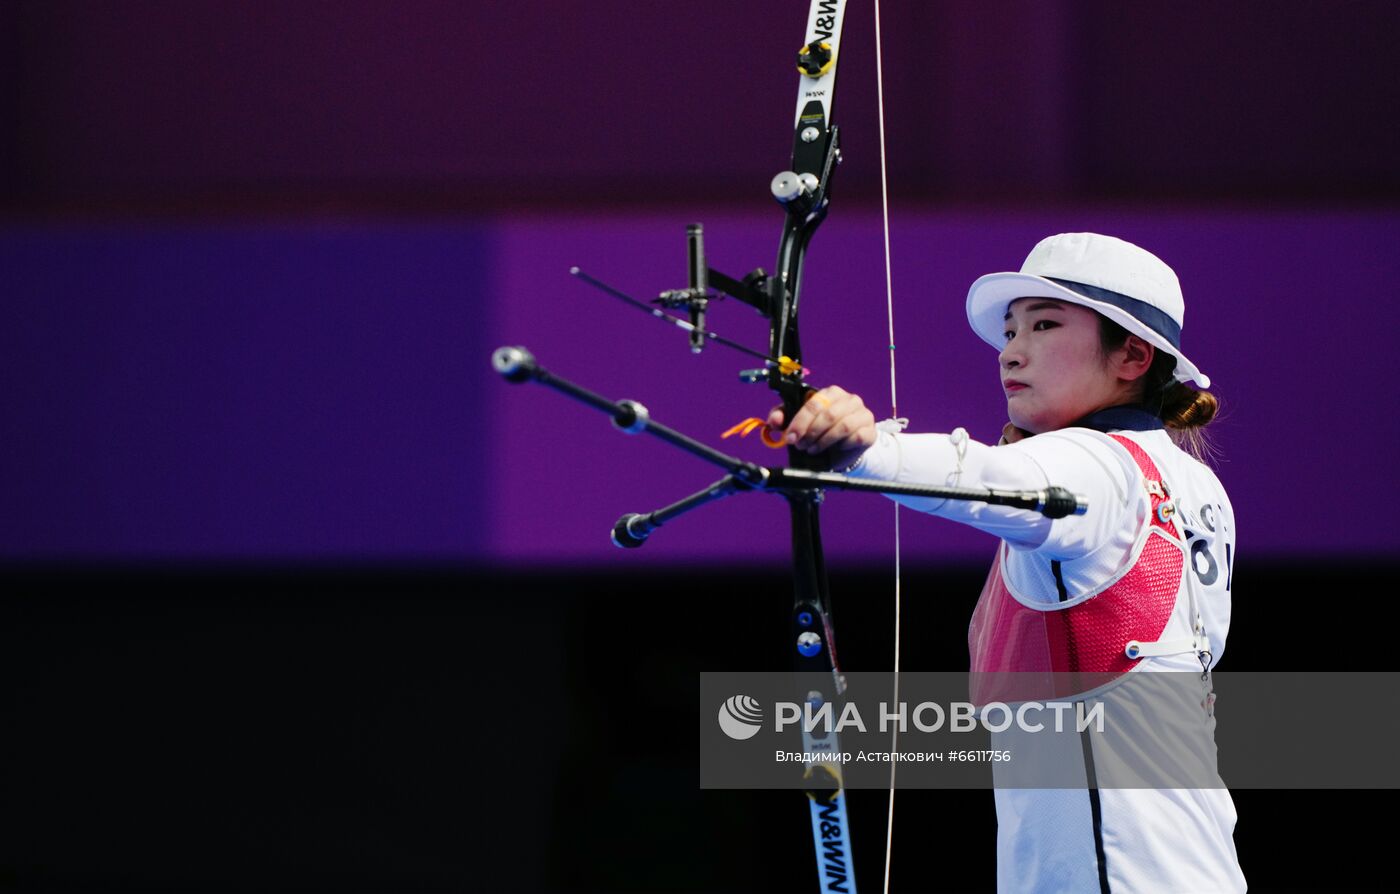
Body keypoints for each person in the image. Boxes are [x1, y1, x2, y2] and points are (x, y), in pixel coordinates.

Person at [767, 232, 1246, 893]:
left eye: (1044, 325)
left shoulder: (1096, 468)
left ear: (1133, 355)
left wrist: (863, 448)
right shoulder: (1192, 484)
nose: (1010, 351)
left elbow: (988, 475)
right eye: (1010, 330)